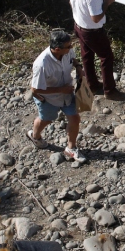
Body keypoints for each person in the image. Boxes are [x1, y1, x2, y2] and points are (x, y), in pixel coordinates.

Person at [27, 30, 85, 162]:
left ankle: (71, 148)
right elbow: (35, 89)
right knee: (46, 119)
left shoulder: (67, 51)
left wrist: (78, 66)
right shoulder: (42, 64)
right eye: (69, 46)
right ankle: (35, 136)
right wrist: (60, 90)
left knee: (75, 118)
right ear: (57, 49)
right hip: (48, 99)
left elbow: (73, 59)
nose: (71, 48)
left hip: (67, 94)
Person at [69, 0, 121, 101]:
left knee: (87, 56)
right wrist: (107, 3)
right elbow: (96, 18)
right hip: (92, 31)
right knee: (106, 57)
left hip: (79, 26)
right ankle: (109, 90)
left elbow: (71, 2)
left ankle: (92, 84)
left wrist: (80, 15)